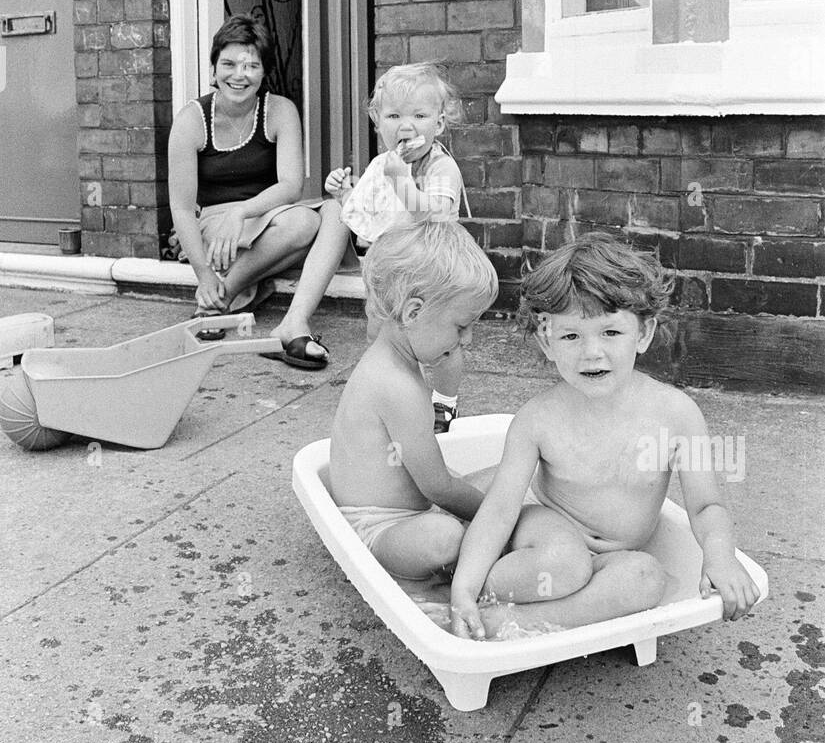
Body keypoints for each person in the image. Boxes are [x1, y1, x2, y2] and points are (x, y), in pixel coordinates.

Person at [449, 232, 762, 640]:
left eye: (610, 333)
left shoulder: (677, 415)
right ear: (547, 340)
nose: (591, 352)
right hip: (543, 536)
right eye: (571, 335)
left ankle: (524, 623)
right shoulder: (537, 419)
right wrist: (464, 589)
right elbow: (500, 511)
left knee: (646, 578)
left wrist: (721, 558)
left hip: (609, 560)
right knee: (562, 563)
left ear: (644, 334)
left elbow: (705, 506)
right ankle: (472, 590)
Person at [270, 64, 468, 427]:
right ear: (378, 124)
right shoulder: (383, 166)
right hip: (386, 275)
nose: (405, 125)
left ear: (438, 124)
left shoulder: (442, 169)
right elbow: (366, 216)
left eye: (419, 115)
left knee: (439, 345)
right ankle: (394, 396)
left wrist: (403, 181)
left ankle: (444, 401)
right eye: (393, 115)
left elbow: (434, 213)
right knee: (382, 338)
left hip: (431, 274)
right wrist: (345, 193)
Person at [329, 219, 499, 581]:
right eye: (461, 325)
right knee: (447, 536)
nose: (467, 339)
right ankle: (477, 570)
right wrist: (500, 520)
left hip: (412, 512)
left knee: (510, 476)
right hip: (380, 531)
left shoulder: (396, 346)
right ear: (413, 312)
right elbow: (437, 487)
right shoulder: (396, 386)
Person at [168, 15, 321, 322]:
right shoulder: (191, 120)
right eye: (229, 64)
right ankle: (219, 283)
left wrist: (241, 213)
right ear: (213, 67)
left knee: (305, 223)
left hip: (264, 215)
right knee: (299, 241)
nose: (239, 75)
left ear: (264, 72)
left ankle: (220, 298)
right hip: (214, 224)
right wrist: (202, 273)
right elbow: (182, 208)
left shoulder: (280, 110)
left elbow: (291, 186)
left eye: (251, 66)